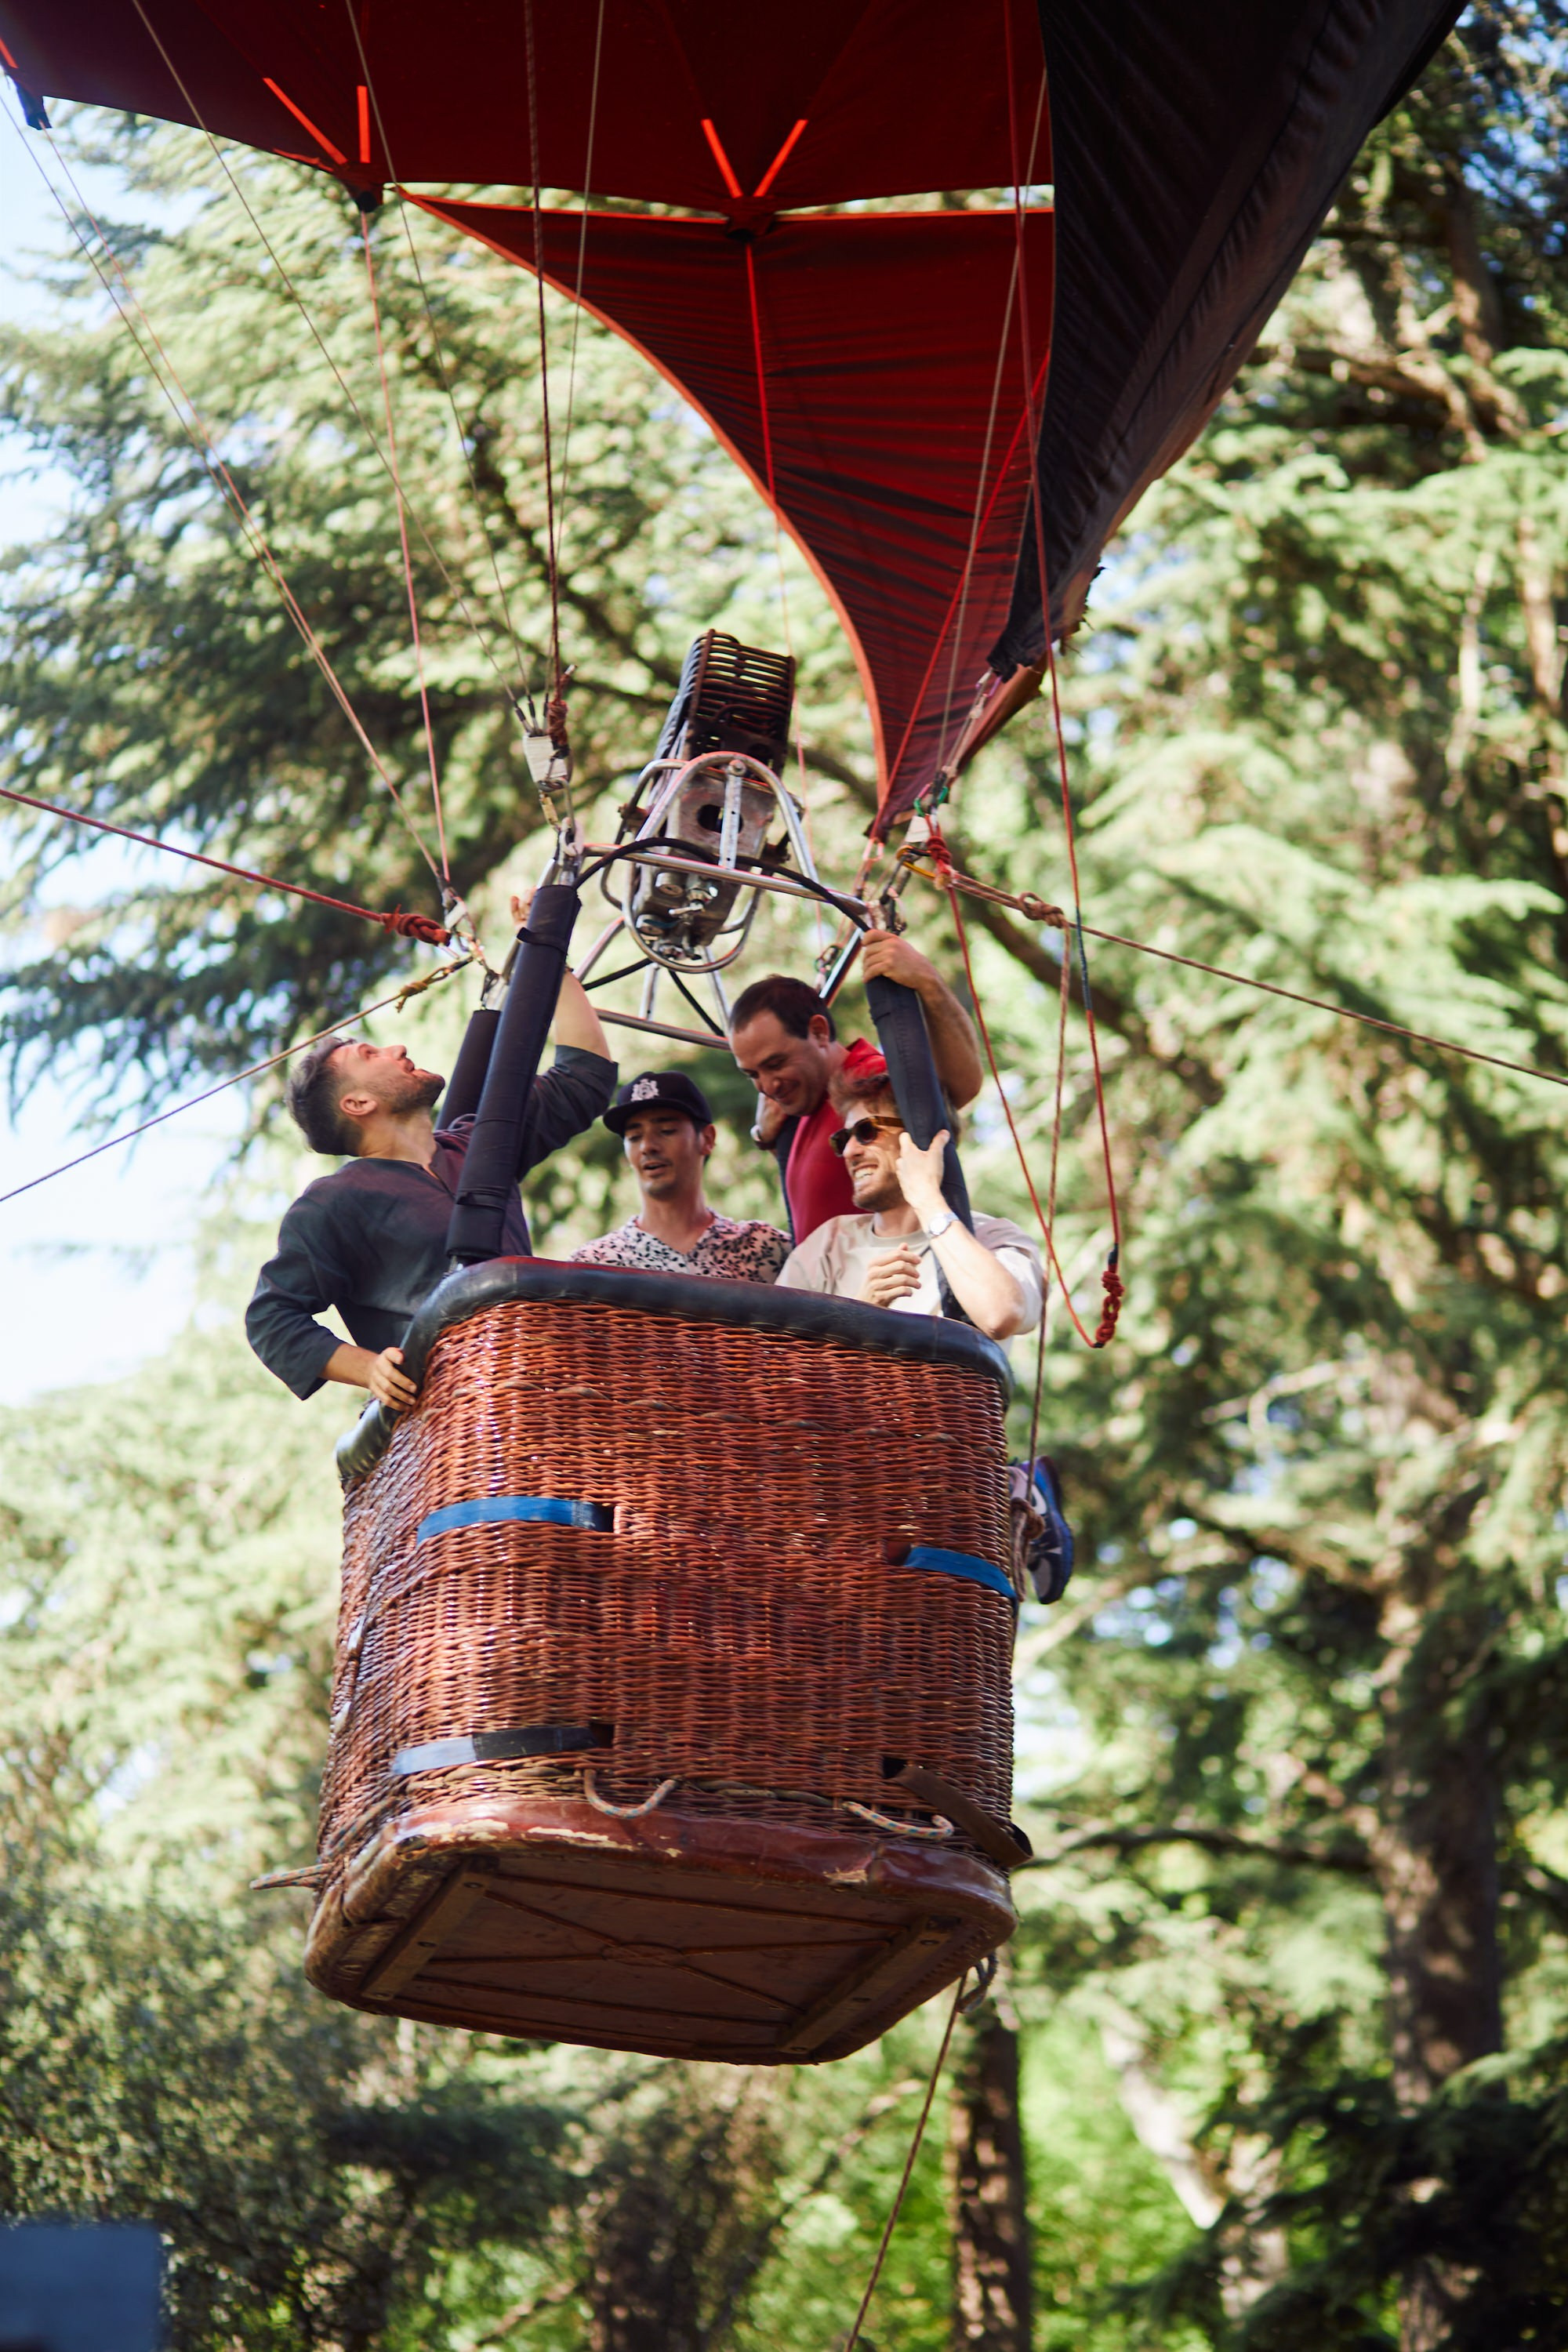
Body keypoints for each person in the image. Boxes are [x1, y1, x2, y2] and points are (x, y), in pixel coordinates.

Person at [246, 895, 615, 1411]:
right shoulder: (335, 1201)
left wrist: (552, 956)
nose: (396, 1048)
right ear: (358, 1103)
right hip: (449, 1420)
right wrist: (371, 1367)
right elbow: (271, 1319)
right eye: (370, 1055)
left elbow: (584, 1077)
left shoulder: (480, 1143)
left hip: (533, 1392)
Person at [728, 931, 983, 1245]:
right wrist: (765, 1138)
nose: (767, 1086)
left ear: (819, 1032)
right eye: (752, 1074)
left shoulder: (867, 1081)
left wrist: (928, 983)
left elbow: (960, 1088)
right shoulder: (804, 1107)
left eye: (776, 1064)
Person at [775, 1050, 1041, 1344]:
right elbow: (778, 1365)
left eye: (866, 1131)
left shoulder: (993, 1238)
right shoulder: (828, 1244)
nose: (849, 1151)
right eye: (843, 1139)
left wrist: (927, 1198)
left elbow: (1001, 1316)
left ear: (920, 1137)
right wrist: (859, 1314)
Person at [569, 1071, 789, 1280]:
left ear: (707, 1139)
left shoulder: (764, 1247)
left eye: (666, 1131)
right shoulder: (594, 1265)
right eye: (635, 1137)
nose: (647, 1146)